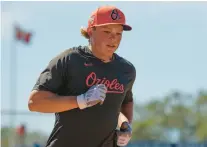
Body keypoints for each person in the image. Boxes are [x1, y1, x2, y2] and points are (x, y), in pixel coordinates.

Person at [28, 5, 136, 147]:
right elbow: (34, 102)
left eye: (118, 33)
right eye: (106, 31)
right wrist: (81, 100)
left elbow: (124, 103)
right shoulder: (69, 60)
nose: (113, 38)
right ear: (91, 31)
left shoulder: (126, 70)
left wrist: (125, 126)